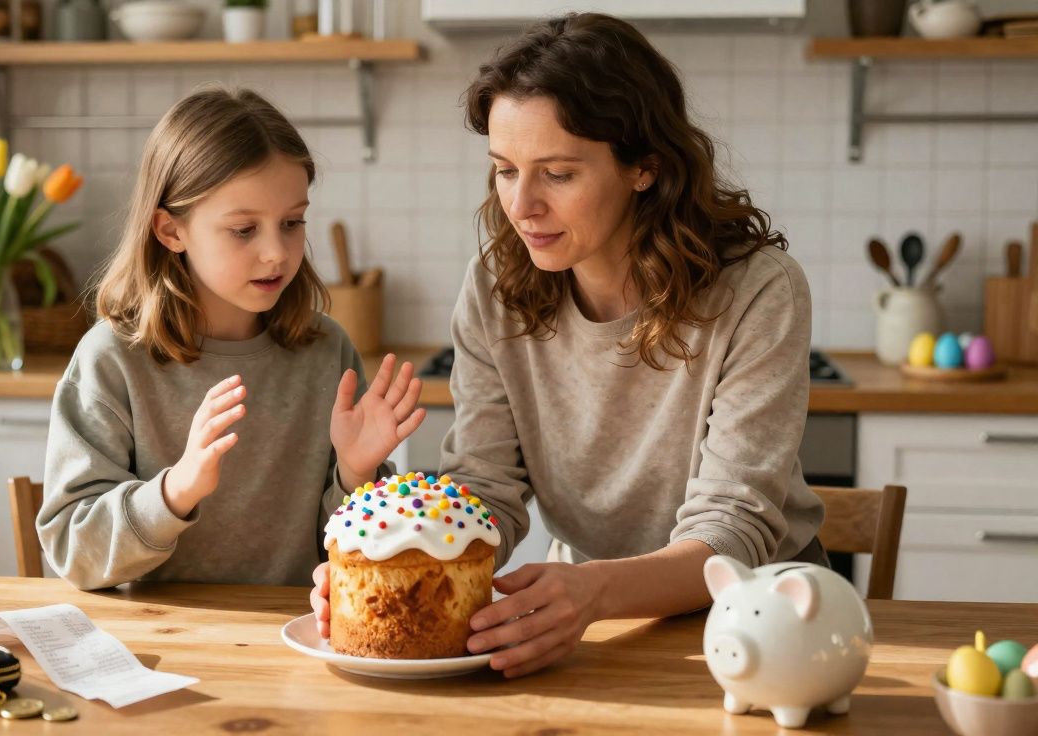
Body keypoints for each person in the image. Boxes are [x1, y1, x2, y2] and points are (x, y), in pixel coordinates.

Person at [311, 13, 825, 678]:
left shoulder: (758, 290)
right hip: (592, 617)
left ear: (645, 168)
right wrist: (395, 571)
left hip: (763, 619)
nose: (521, 206)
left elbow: (733, 531)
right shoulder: (495, 288)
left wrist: (593, 591)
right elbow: (484, 493)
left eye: (557, 174)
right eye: (504, 170)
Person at [41, 87, 425, 591]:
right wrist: (176, 491)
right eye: (244, 229)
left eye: (291, 223)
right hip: (158, 651)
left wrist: (356, 473)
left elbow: (348, 556)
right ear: (170, 230)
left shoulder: (326, 351)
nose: (277, 253)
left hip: (295, 639)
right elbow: (74, 552)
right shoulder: (112, 360)